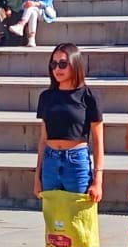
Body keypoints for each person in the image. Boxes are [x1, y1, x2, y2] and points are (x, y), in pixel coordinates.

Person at [35, 44, 104, 202]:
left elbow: (98, 141)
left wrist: (98, 180)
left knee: (79, 213)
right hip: (50, 160)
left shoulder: (89, 96)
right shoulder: (46, 96)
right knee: (53, 214)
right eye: (53, 64)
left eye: (63, 64)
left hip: (76, 161)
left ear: (75, 64)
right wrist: (37, 176)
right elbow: (43, 139)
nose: (57, 69)